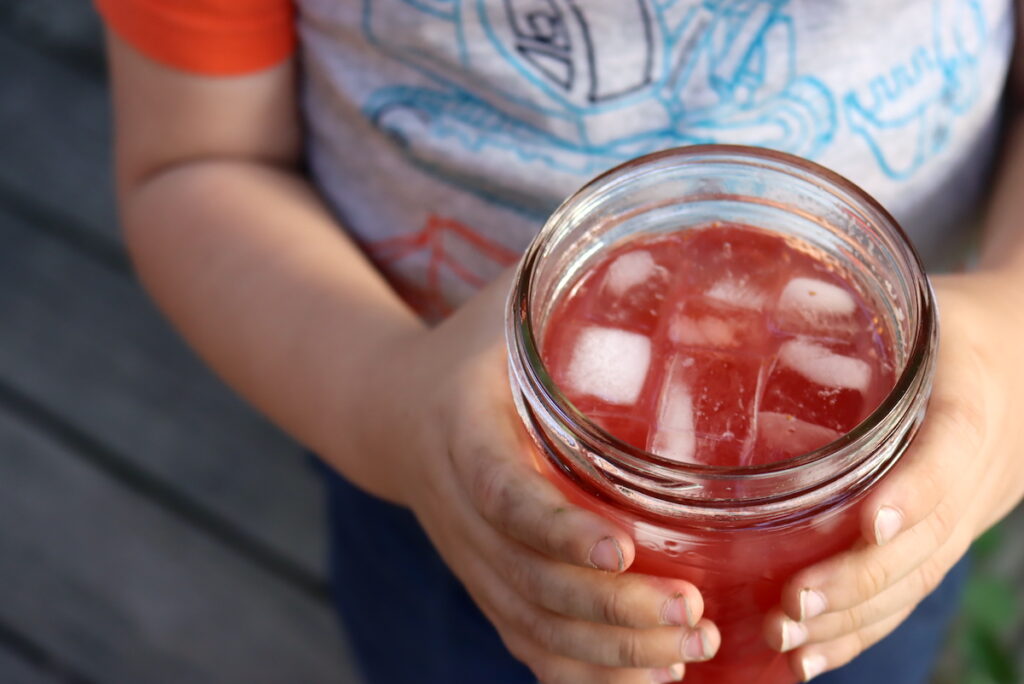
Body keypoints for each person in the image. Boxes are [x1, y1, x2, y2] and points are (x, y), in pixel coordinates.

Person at [93, 1, 1023, 681]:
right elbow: (200, 161)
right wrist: (390, 400)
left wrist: (1013, 342)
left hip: (877, 526)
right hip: (451, 499)